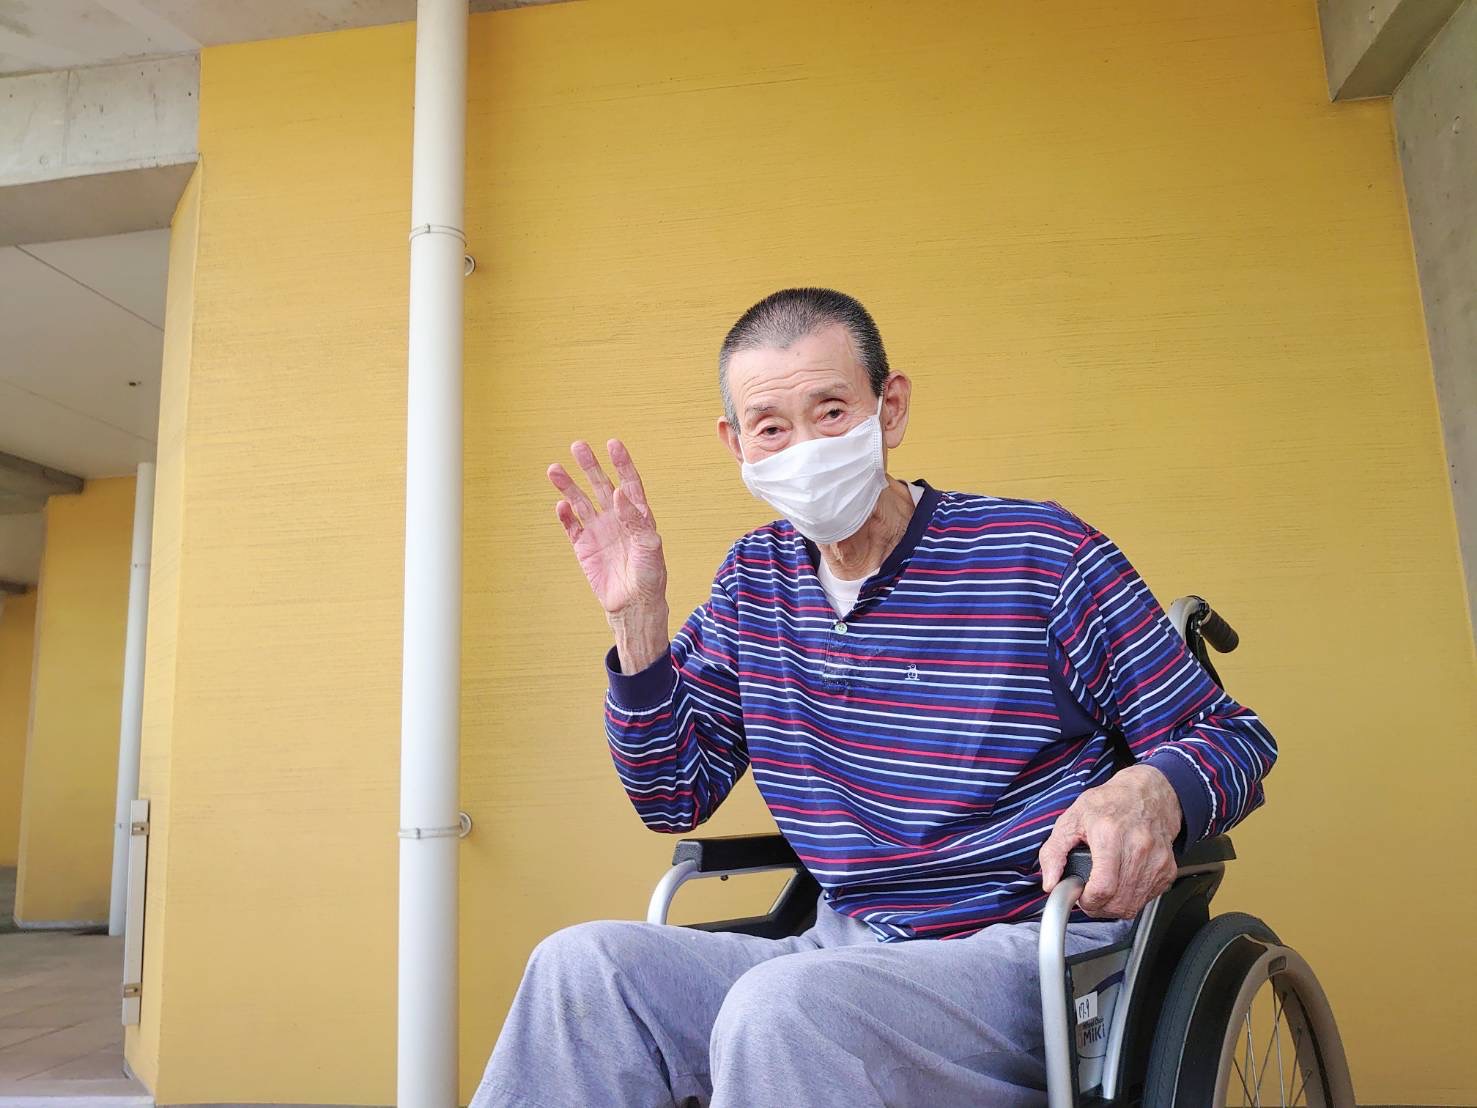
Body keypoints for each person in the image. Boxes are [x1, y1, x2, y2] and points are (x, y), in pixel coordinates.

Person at [470, 288, 1277, 1108]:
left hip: (1028, 958)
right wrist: (637, 621)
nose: (804, 448)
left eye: (830, 412)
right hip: (844, 951)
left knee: (783, 1008)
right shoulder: (754, 581)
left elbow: (1230, 737)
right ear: (736, 444)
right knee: (583, 971)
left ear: (889, 409)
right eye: (771, 427)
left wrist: (1146, 790)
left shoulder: (1035, 553)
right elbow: (673, 794)